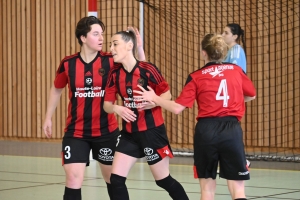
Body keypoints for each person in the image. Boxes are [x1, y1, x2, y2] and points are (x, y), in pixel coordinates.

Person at [134, 34, 256, 200]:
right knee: (238, 191)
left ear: (203, 53)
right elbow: (251, 95)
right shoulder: (236, 71)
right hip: (231, 130)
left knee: (207, 190)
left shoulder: (196, 76)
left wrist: (154, 98)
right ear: (223, 53)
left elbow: (177, 108)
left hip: (206, 131)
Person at [42, 16, 145, 200]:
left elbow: (139, 71)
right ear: (83, 38)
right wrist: (48, 117)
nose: (101, 39)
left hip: (106, 131)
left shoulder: (111, 61)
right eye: (96, 34)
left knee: (113, 179)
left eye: (102, 34)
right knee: (73, 178)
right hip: (76, 132)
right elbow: (57, 89)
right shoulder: (68, 64)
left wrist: (138, 49)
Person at [103, 30, 189, 200]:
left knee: (163, 180)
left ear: (129, 46)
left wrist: (155, 100)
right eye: (110, 44)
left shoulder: (147, 69)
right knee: (116, 179)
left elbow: (167, 95)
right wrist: (117, 109)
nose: (111, 48)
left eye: (115, 44)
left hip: (152, 132)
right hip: (129, 135)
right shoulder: (114, 74)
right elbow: (106, 105)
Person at [222, 23, 251, 168]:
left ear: (235, 36)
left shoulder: (236, 50)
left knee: (230, 129)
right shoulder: (229, 51)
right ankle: (239, 161)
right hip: (229, 96)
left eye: (226, 33)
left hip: (232, 95)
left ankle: (242, 161)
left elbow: (234, 73)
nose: (222, 35)